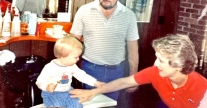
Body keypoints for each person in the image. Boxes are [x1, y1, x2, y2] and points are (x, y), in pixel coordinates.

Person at [70, 34, 207, 108]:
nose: (155, 63)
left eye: (161, 60)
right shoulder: (155, 72)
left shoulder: (203, 88)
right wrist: (93, 92)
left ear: (178, 66)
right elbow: (124, 82)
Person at [70, 0, 139, 101]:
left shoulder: (129, 16)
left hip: (117, 72)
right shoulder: (84, 11)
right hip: (90, 70)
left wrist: (133, 77)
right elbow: (72, 44)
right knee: (90, 105)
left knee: (110, 105)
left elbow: (133, 50)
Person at [35, 36, 104, 108]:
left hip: (67, 92)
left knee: (77, 105)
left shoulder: (72, 66)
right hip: (52, 94)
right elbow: (39, 81)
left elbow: (81, 75)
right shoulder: (50, 67)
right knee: (57, 106)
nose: (78, 59)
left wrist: (94, 82)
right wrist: (47, 87)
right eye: (76, 57)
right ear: (64, 55)